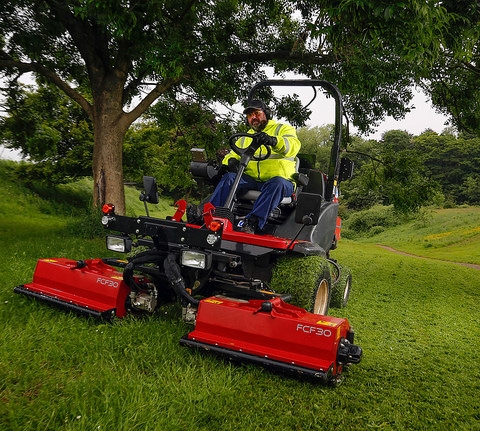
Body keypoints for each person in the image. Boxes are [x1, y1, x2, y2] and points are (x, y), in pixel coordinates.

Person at [208, 99, 301, 234]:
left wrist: (273, 141)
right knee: (229, 178)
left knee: (277, 183)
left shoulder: (282, 129)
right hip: (252, 180)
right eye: (250, 115)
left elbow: (292, 146)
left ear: (266, 114)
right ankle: (210, 215)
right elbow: (232, 154)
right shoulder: (246, 136)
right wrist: (231, 161)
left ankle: (253, 222)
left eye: (257, 113)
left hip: (280, 181)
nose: (254, 118)